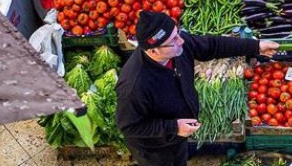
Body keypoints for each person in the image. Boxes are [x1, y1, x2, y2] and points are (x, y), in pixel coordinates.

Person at [115, 11, 280, 166]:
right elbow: (128, 126)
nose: (181, 41)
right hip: (154, 148)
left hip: (178, 137)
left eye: (177, 33)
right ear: (153, 50)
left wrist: (256, 46)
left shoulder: (178, 47)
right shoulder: (134, 85)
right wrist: (174, 127)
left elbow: (212, 45)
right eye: (173, 41)